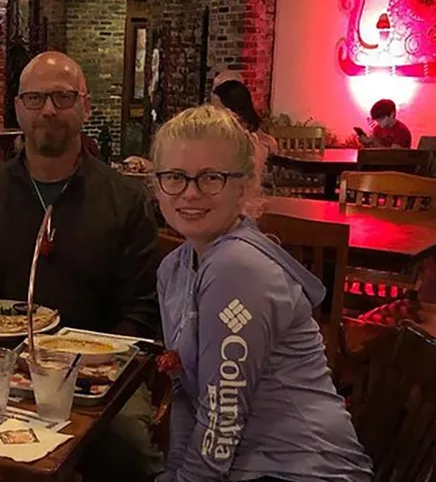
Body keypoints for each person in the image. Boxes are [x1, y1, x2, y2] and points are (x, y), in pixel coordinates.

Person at [0, 51, 162, 478]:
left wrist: (89, 365)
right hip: (0, 362)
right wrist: (1, 361)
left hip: (98, 367)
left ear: (85, 107)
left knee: (128, 445)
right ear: (19, 108)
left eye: (62, 98)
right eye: (35, 98)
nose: (48, 110)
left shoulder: (125, 200)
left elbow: (141, 308)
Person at [152, 105, 372, 482]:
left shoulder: (236, 267)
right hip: (242, 465)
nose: (190, 193)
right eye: (175, 177)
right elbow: (187, 395)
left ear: (243, 186)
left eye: (211, 178)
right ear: (157, 185)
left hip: (304, 469)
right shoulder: (173, 269)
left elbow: (222, 418)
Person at [211, 79, 278, 155]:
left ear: (234, 111)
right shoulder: (213, 134)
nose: (212, 115)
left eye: (217, 110)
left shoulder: (260, 142)